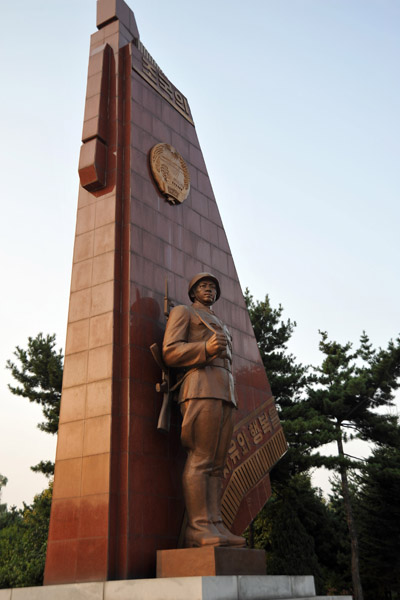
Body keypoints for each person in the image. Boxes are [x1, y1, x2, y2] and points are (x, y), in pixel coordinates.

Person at [162, 272, 245, 548]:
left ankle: (216, 525)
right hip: (200, 388)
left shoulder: (221, 323)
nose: (208, 290)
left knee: (217, 466)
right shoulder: (184, 313)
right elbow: (170, 352)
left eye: (212, 287)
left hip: (224, 391)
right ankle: (198, 528)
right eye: (203, 286)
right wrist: (206, 348)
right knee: (200, 459)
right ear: (193, 292)